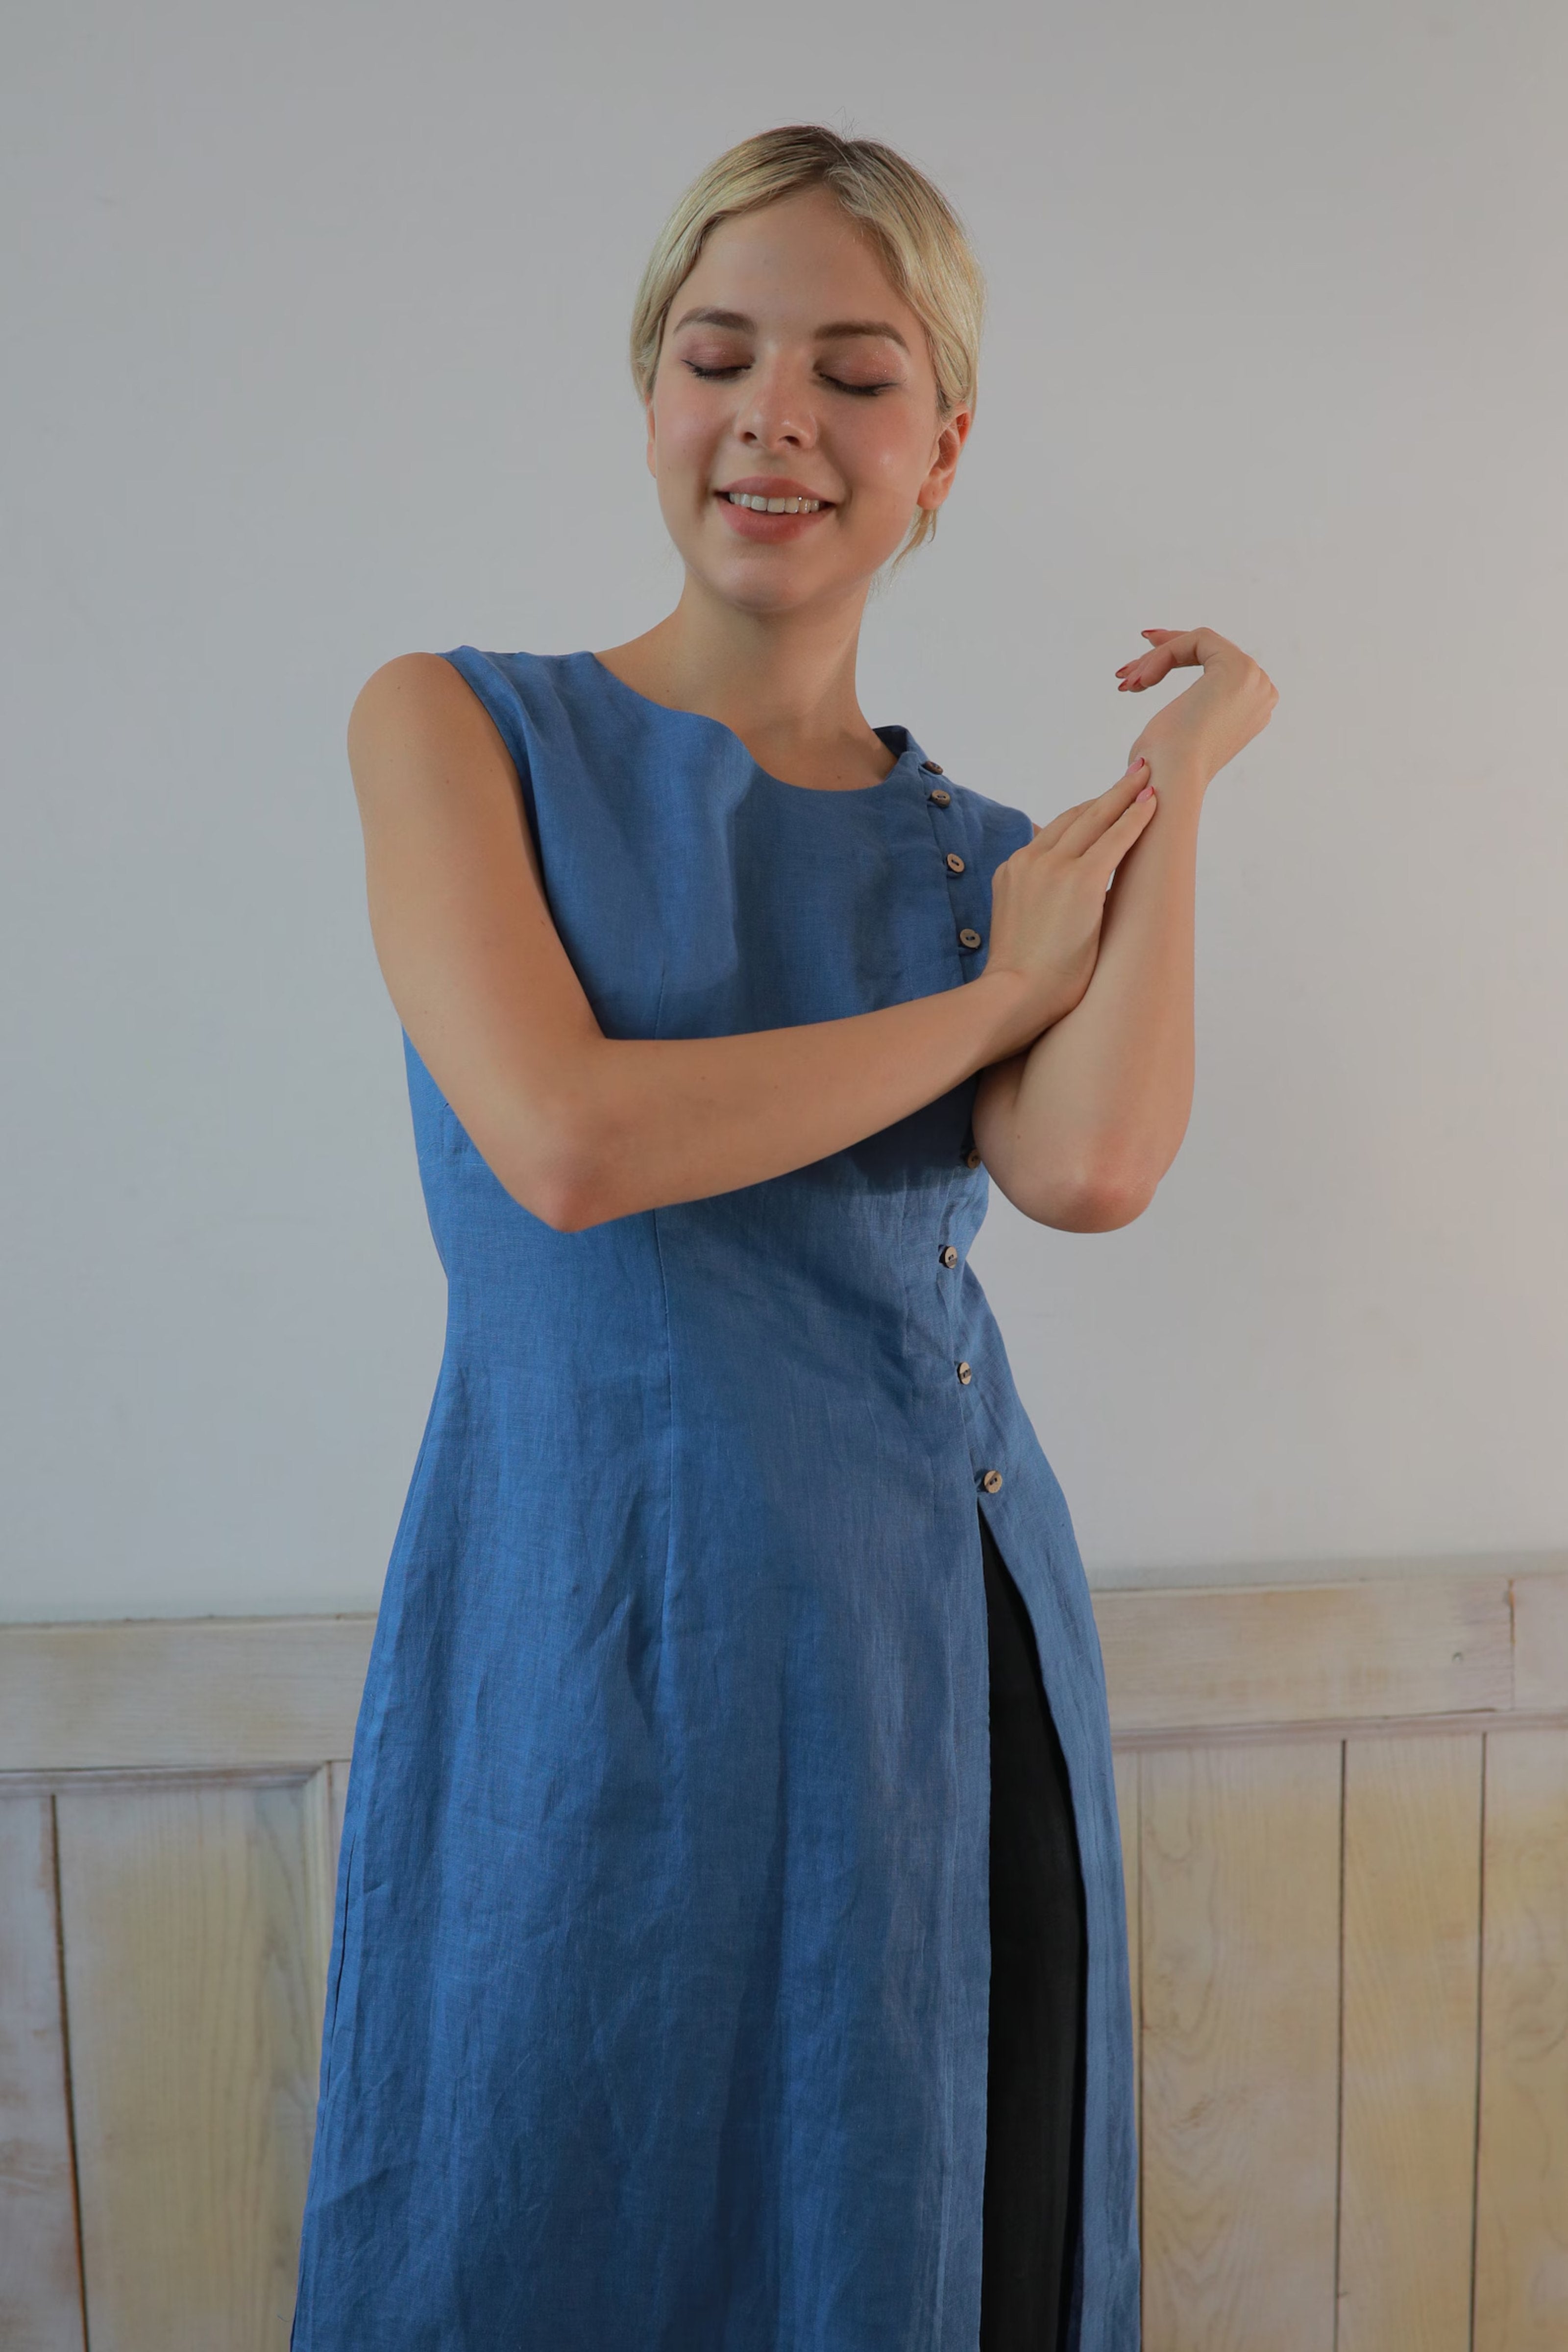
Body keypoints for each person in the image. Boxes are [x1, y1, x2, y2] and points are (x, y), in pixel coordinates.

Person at [290, 123, 1276, 2352]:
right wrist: (1002, 990)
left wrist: (1183, 784)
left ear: (939, 451)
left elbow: (1091, 1170)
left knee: (928, 2259)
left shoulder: (990, 859)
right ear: (649, 389)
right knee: (526, 2228)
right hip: (587, 1642)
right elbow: (559, 1139)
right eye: (719, 351)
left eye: (853, 373)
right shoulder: (458, 729)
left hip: (925, 1669)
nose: (778, 420)